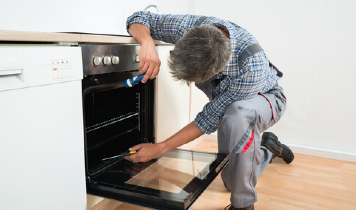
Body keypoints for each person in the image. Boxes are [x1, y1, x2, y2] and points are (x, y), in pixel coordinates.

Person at [124, 11, 294, 210]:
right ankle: (269, 149)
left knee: (238, 114)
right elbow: (136, 19)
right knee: (231, 180)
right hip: (231, 108)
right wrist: (147, 43)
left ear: (216, 71)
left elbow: (209, 118)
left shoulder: (250, 66)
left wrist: (160, 148)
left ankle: (243, 205)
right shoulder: (186, 26)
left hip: (267, 99)